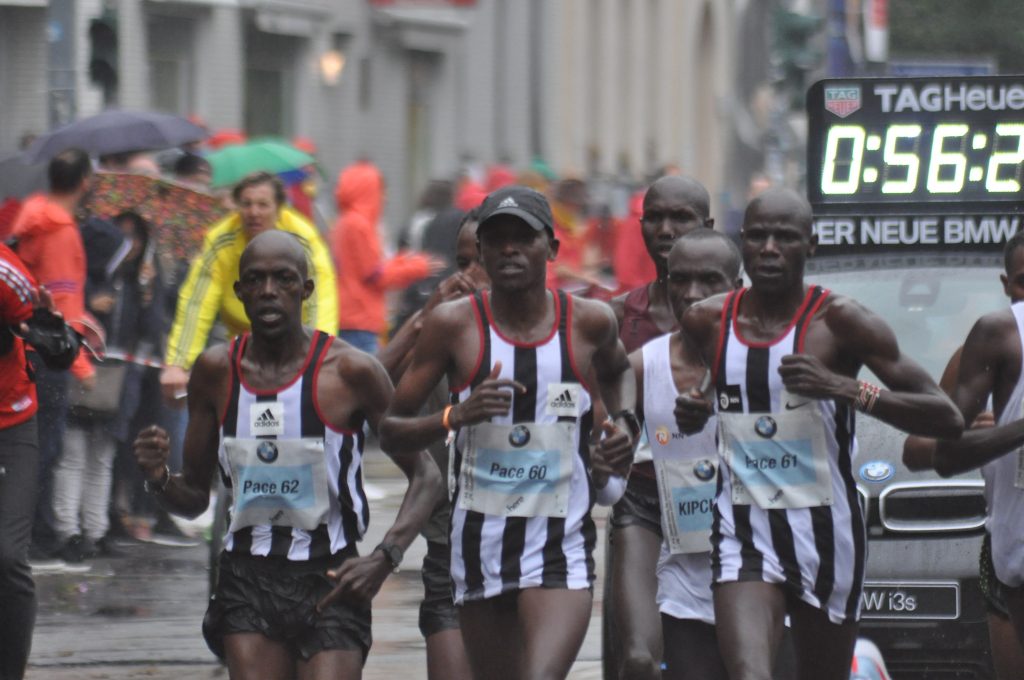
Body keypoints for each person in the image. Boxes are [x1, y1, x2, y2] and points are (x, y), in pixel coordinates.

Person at [674, 187, 963, 680]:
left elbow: (946, 418)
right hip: (743, 528)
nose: (769, 248)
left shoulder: (843, 322)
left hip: (827, 534)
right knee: (749, 673)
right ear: (742, 242)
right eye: (759, 236)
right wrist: (694, 410)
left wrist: (845, 388)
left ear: (811, 245)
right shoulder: (706, 320)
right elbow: (715, 389)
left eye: (784, 237)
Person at [133, 230, 441, 679]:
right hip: (247, 580)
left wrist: (383, 558)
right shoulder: (216, 371)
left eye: (283, 279)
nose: (269, 291)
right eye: (255, 280)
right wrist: (159, 476)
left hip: (330, 578)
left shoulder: (350, 371)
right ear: (239, 293)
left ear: (306, 289)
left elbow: (427, 476)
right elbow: (196, 496)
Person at [379, 185, 636, 680]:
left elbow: (621, 370)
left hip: (560, 545)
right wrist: (456, 416)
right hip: (479, 546)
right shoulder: (453, 325)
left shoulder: (589, 322)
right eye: (496, 240)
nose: (509, 249)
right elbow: (391, 428)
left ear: (553, 249)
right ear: (480, 252)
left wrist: (625, 423)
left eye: (524, 238)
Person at [604, 175, 715, 679]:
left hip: (726, 501)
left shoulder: (746, 315)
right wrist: (606, 442)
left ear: (707, 227)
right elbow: (592, 415)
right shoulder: (616, 318)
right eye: (656, 218)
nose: (666, 229)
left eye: (681, 218)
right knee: (637, 659)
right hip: (643, 501)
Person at [376, 211, 487, 680]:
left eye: (483, 260)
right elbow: (372, 402)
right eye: (463, 262)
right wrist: (425, 321)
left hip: (531, 548)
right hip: (449, 540)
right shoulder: (442, 333)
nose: (470, 275)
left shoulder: (554, 331)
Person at [630, 231, 742, 679]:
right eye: (681, 280)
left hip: (772, 577)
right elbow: (603, 486)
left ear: (738, 286)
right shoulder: (643, 366)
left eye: (709, 281)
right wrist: (607, 461)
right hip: (686, 582)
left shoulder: (773, 361)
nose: (692, 294)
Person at [160, 171, 338, 404]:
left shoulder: (304, 240)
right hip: (244, 343)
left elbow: (320, 300)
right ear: (236, 206)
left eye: (263, 205)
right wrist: (178, 364)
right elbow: (196, 302)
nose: (254, 212)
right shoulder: (221, 239)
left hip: (296, 341)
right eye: (246, 204)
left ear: (280, 207)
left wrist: (320, 358)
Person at [932, 228, 1024, 657]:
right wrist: (995, 431)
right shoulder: (993, 340)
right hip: (1011, 548)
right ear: (1006, 285)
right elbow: (932, 450)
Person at [0, 242, 82, 680]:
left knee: (6, 557)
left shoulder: (5, 272)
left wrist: (49, 327)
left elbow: (59, 349)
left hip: (8, 426)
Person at [9, 148, 95, 558]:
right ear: (84, 182)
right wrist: (78, 361)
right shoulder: (61, 231)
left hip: (26, 349)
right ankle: (38, 535)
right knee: (45, 449)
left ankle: (29, 532)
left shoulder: (34, 221)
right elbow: (63, 302)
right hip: (48, 352)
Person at [330, 160, 443, 355]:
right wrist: (418, 267)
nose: (385, 197)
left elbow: (370, 267)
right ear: (366, 190)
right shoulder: (359, 225)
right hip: (360, 321)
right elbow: (375, 275)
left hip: (351, 317)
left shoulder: (344, 222)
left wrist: (404, 261)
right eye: (380, 189)